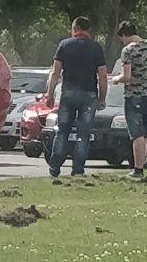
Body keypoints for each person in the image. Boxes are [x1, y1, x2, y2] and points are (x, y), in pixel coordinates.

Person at [44, 17, 107, 178]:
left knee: (62, 130)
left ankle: (55, 166)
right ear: (88, 30)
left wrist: (49, 95)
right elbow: (102, 76)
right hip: (88, 94)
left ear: (75, 29)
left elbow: (55, 72)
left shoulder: (64, 45)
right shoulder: (96, 48)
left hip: (68, 93)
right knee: (83, 133)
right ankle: (78, 169)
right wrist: (102, 97)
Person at [110, 20, 147, 180]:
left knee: (137, 135)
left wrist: (116, 79)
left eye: (122, 39)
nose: (123, 42)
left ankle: (138, 169)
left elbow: (127, 76)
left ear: (124, 35)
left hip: (134, 95)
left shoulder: (128, 50)